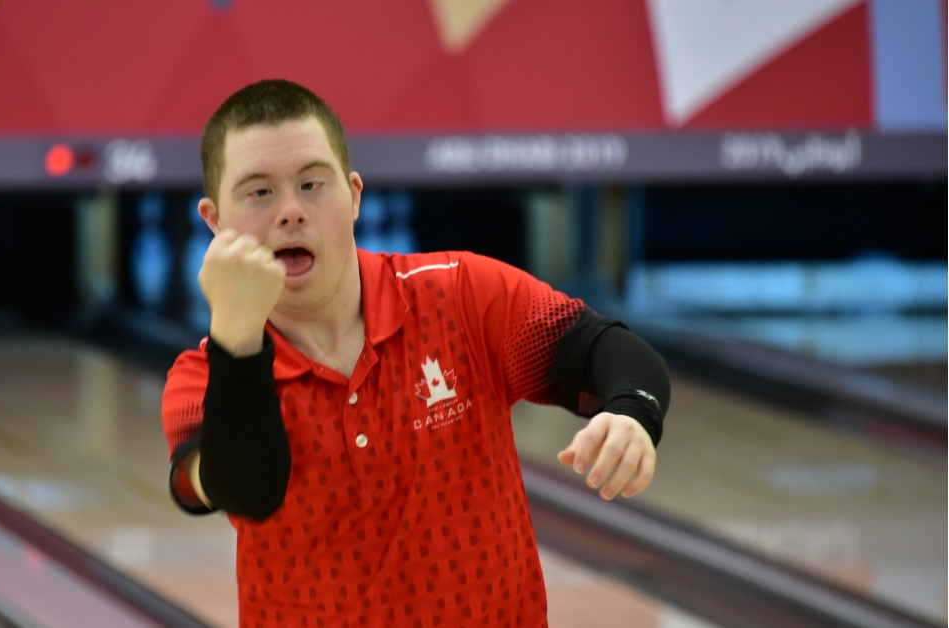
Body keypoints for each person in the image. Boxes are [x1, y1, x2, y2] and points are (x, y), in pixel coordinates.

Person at [161, 79, 670, 628]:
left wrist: (630, 414)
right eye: (259, 192)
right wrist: (238, 338)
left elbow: (603, 350)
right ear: (214, 222)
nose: (290, 212)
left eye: (312, 184)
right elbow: (249, 490)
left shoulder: (460, 293)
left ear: (354, 195)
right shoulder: (201, 379)